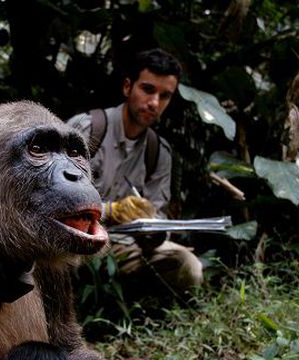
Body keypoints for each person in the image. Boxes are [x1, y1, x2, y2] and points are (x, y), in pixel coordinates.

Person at [67, 48, 203, 291]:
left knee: (188, 266)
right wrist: (111, 210)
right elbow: (52, 199)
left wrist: (152, 227)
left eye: (165, 96)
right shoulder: (87, 128)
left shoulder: (159, 152)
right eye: (148, 90)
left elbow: (157, 214)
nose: (154, 103)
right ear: (128, 87)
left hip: (123, 247)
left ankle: (140, 312)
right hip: (74, 242)